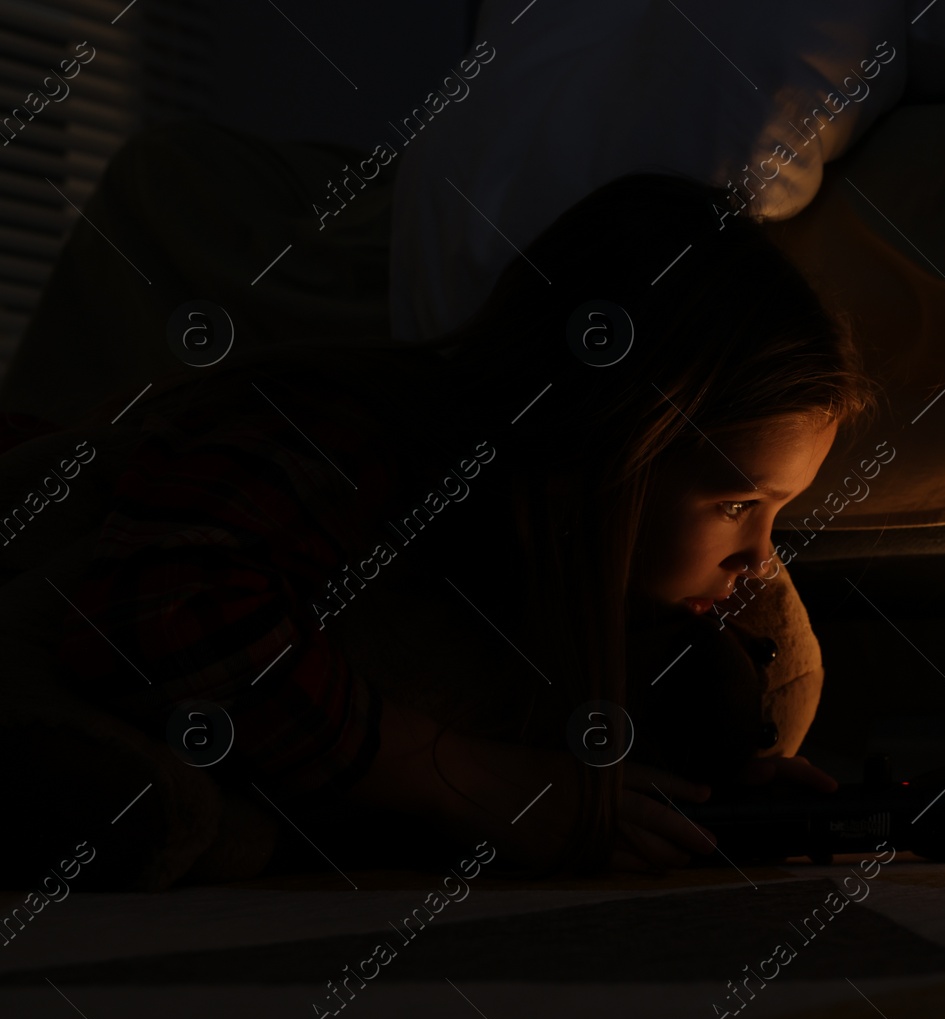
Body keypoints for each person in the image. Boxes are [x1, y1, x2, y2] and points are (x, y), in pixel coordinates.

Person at [28, 171, 883, 879]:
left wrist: (710, 796)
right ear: (601, 452)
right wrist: (480, 785)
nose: (761, 560)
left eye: (778, 513)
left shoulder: (585, 584)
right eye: (738, 504)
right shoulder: (347, 441)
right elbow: (159, 608)